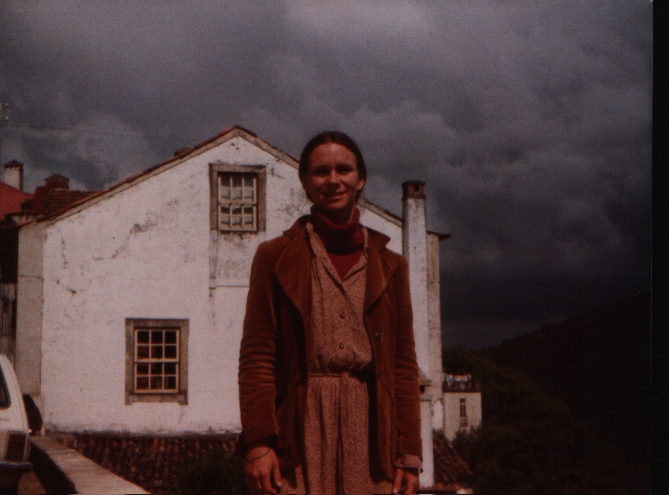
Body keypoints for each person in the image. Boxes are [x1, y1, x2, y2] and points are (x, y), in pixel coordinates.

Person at [237, 131, 422, 494]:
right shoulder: (275, 257)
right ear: (306, 183)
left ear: (360, 179)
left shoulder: (391, 265)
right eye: (321, 172)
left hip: (373, 433)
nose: (333, 180)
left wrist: (409, 455)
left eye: (343, 169)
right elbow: (257, 356)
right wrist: (259, 443)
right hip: (299, 426)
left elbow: (402, 366)